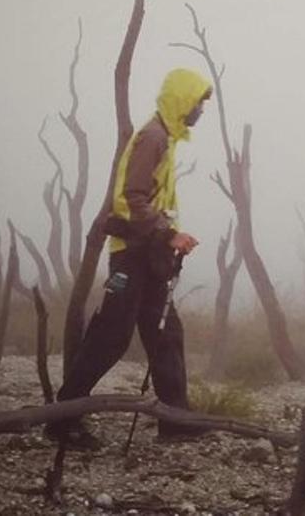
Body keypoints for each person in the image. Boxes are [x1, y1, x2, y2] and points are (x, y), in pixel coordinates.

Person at [48, 67, 213, 446]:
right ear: (181, 99)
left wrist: (167, 238)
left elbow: (150, 201)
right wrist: (170, 234)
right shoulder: (153, 137)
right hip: (131, 254)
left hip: (150, 253)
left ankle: (175, 421)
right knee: (110, 336)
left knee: (166, 335)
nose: (200, 110)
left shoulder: (166, 139)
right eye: (198, 102)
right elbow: (132, 197)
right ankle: (61, 420)